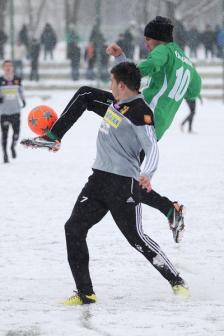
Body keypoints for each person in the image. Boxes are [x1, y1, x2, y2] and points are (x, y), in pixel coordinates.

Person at [21, 16, 201, 243]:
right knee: (127, 181)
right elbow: (194, 90)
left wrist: (124, 62)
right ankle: (170, 210)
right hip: (153, 128)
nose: (146, 45)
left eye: (148, 40)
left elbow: (144, 69)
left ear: (157, 39)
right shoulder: (187, 63)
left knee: (86, 94)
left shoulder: (162, 51)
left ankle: (53, 136)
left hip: (136, 114)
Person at [26, 62, 189, 304]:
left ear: (122, 86)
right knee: (73, 229)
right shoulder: (117, 103)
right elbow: (89, 96)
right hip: (98, 179)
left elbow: (152, 147)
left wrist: (148, 173)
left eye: (112, 82)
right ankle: (86, 293)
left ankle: (177, 281)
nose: (110, 86)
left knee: (136, 238)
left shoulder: (140, 114)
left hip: (123, 184)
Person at [0, 60, 26, 163]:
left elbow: (21, 91)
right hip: (4, 112)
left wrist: (23, 100)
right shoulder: (0, 80)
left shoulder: (17, 79)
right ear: (3, 68)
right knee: (5, 134)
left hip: (15, 111)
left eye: (10, 66)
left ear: (12, 68)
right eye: (6, 66)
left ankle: (12, 147)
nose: (8, 68)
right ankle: (5, 154)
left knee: (16, 134)